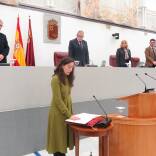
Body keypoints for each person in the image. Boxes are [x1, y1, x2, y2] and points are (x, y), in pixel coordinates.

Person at [47, 57, 78, 156]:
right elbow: (58, 100)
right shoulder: (55, 79)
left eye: (72, 67)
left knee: (63, 142)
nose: (70, 69)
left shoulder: (67, 78)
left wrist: (71, 113)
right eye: (69, 67)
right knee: (58, 143)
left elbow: (67, 98)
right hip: (58, 115)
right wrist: (69, 114)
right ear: (62, 66)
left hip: (66, 113)